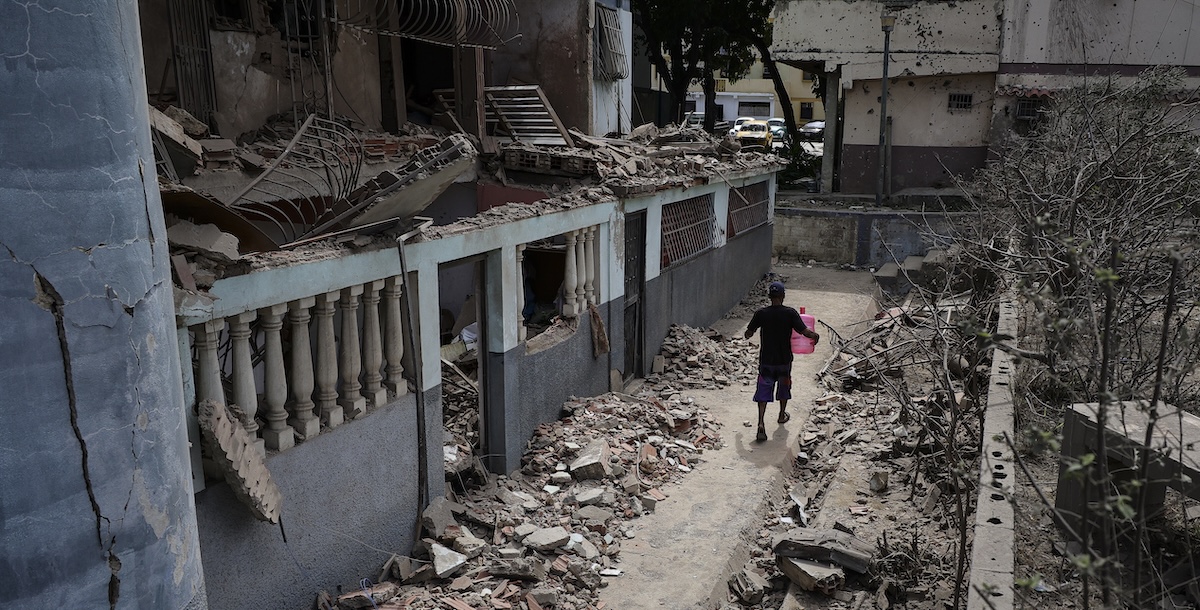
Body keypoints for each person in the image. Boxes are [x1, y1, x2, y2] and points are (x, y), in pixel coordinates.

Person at [744, 281, 819, 442]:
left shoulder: (761, 313)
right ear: (783, 296)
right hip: (784, 360)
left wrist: (749, 333)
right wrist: (815, 336)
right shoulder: (790, 313)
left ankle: (761, 423)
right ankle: (781, 414)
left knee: (763, 390)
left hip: (766, 361)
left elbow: (748, 333)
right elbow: (804, 331)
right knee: (784, 387)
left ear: (769, 297)